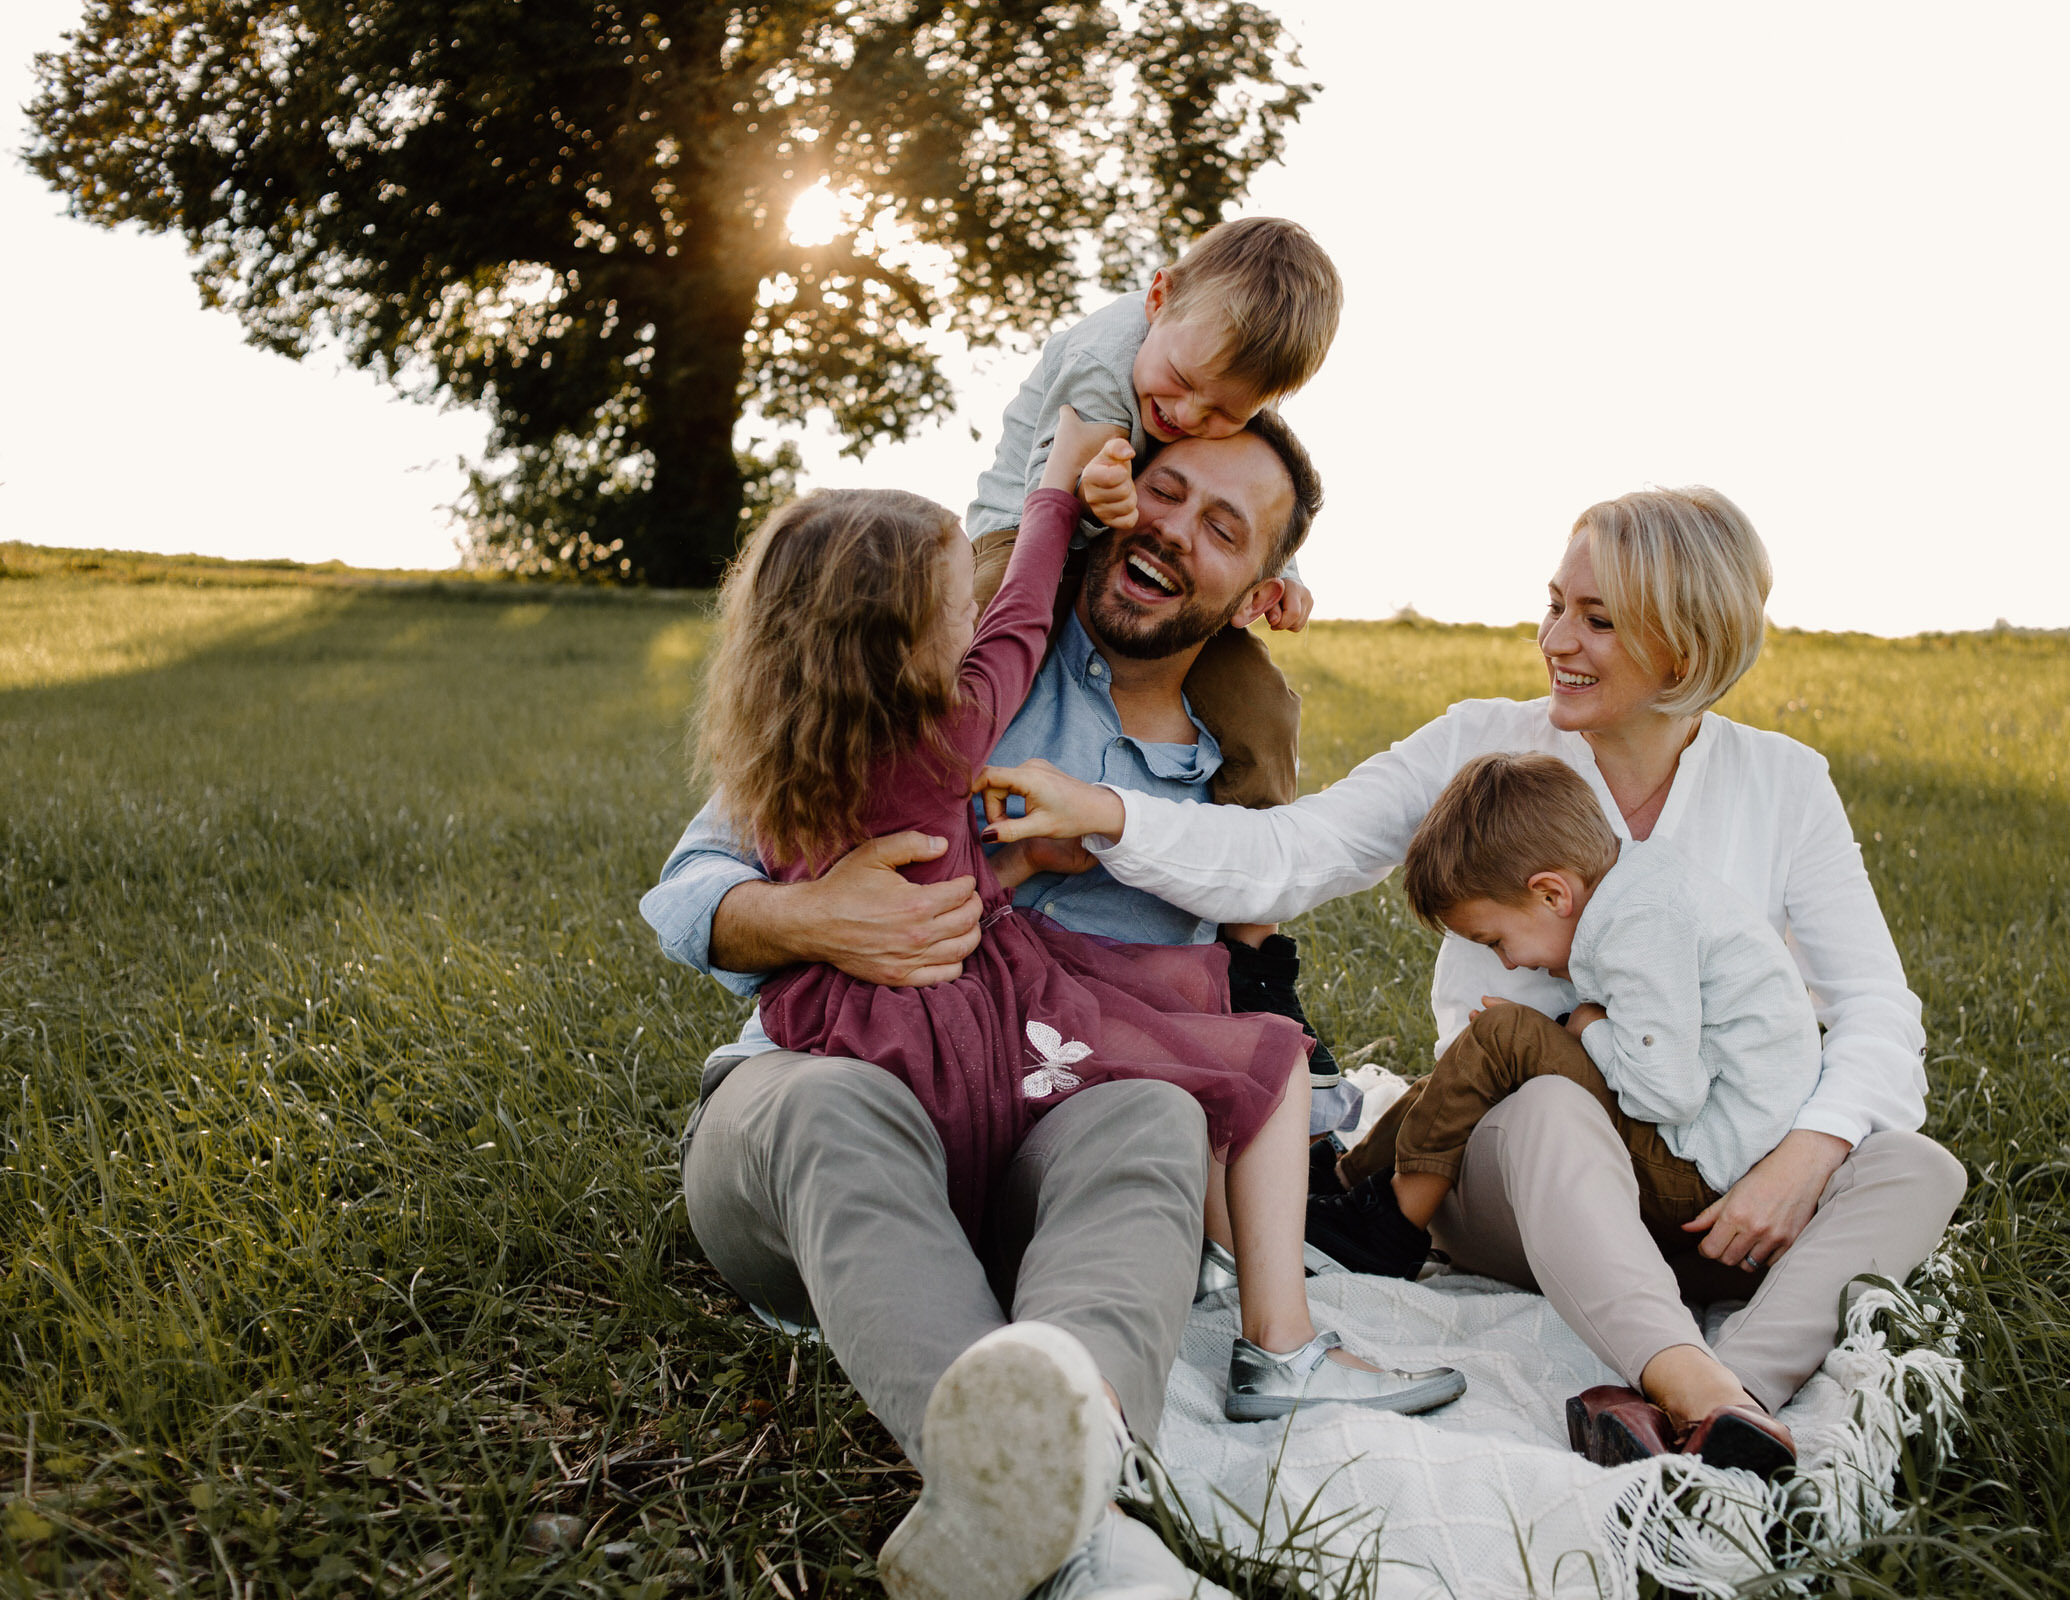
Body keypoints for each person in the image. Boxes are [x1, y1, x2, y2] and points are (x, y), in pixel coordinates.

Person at [980, 485, 1971, 1473]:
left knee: (1915, 1165)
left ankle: (1720, 1398)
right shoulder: (1483, 743)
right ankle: (1684, 1371)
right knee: (1547, 1103)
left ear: (1683, 645)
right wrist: (1109, 812)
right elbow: (1292, 849)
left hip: (1717, 1179)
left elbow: (1878, 1011)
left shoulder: (1782, 780)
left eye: (1597, 619)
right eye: (1554, 605)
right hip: (1520, 1165)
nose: (1556, 640)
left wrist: (1803, 1156)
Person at [646, 412, 1453, 1600]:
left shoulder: (1231, 767)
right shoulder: (940, 660)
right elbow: (691, 884)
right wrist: (816, 919)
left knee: (1155, 1118)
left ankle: (1046, 1497)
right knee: (827, 1104)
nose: (1172, 530)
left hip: (1046, 1127)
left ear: (1260, 592)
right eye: (1162, 491)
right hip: (825, 1124)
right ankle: (1077, 1538)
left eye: (1221, 527)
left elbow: (1262, 946)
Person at [1300, 750, 1823, 1474]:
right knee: (1498, 1046)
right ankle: (1352, 1186)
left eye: (1494, 939)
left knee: (1506, 1034)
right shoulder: (1643, 889)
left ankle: (1389, 1221)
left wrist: (1583, 1029)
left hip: (1702, 1172)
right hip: (1706, 1146)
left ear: (1552, 894)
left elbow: (1667, 1090)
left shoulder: (1641, 920)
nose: (1508, 961)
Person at [965, 215, 1342, 816]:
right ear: (1158, 298)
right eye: (1183, 382)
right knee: (969, 644)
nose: (1188, 415)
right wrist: (1098, 496)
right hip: (1022, 531)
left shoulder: (1208, 376)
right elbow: (1056, 500)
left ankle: (1256, 868)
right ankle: (908, 773)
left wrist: (1286, 572)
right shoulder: (1103, 360)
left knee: (1261, 702)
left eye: (1224, 411)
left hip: (1135, 549)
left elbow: (1257, 487)